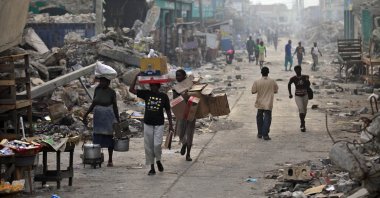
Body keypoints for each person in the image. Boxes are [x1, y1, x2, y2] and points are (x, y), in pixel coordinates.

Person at [129, 74, 174, 175]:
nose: (152, 87)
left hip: (159, 124)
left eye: (154, 86)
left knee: (157, 145)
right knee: (148, 146)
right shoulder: (146, 94)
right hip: (148, 123)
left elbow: (168, 110)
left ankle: (158, 160)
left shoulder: (163, 96)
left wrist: (171, 125)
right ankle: (152, 167)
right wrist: (136, 76)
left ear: (158, 86)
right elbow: (131, 90)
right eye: (151, 86)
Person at [83, 77, 120, 167]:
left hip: (108, 116)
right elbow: (94, 103)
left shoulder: (112, 92)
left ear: (108, 82)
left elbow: (115, 106)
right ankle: (96, 158)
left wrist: (117, 119)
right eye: (101, 81)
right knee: (97, 138)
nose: (102, 83)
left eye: (104, 81)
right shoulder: (97, 89)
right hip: (98, 116)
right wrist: (86, 114)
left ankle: (110, 160)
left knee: (109, 137)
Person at [173, 69, 196, 161]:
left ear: (184, 76)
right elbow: (175, 100)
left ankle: (188, 154)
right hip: (181, 113)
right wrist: (181, 96)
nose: (177, 77)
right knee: (180, 132)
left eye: (179, 75)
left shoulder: (191, 84)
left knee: (190, 133)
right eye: (176, 76)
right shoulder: (176, 88)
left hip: (191, 111)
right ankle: (184, 143)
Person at [251, 67, 279, 140]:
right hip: (268, 103)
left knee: (259, 117)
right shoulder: (272, 81)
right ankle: (265, 134)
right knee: (267, 118)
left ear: (261, 73)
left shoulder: (257, 81)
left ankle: (260, 133)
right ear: (268, 72)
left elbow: (253, 91)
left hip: (260, 103)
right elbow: (276, 90)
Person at [288, 65, 311, 132]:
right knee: (301, 108)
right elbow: (289, 84)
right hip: (298, 96)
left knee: (304, 109)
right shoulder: (293, 78)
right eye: (296, 70)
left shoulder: (305, 77)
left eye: (299, 69)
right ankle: (303, 124)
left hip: (305, 95)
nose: (297, 71)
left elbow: (308, 85)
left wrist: (307, 80)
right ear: (295, 71)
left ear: (301, 70)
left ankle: (302, 121)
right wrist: (290, 93)